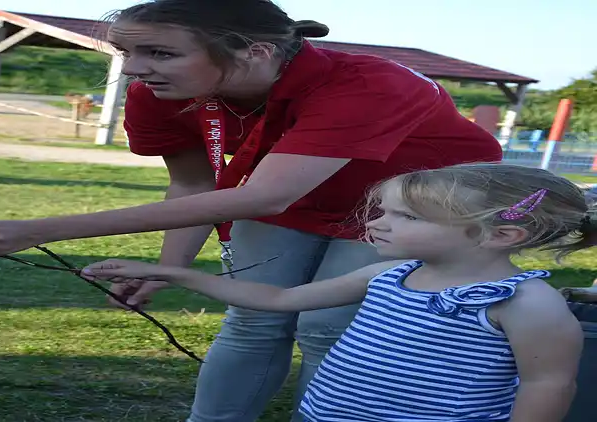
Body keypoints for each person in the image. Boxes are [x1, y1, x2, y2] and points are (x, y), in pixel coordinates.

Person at [0, 0, 504, 420]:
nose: (134, 70)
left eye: (160, 53)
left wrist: (36, 230)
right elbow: (193, 186)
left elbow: (265, 193)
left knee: (328, 327)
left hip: (414, 210)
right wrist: (162, 268)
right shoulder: (158, 93)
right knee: (251, 320)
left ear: (255, 52)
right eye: (126, 52)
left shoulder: (369, 84)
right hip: (290, 201)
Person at [81, 163, 593, 422]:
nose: (378, 224)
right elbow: (279, 301)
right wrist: (178, 274)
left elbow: (548, 386)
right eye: (384, 210)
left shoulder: (524, 303)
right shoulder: (389, 275)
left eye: (406, 217)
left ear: (501, 235)